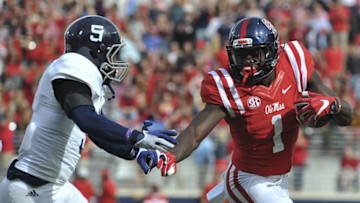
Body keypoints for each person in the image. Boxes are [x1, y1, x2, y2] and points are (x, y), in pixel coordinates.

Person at [160, 17, 353, 203]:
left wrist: (333, 105)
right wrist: (172, 154)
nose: (247, 62)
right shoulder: (228, 86)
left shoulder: (294, 61)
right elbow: (195, 133)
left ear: (272, 52)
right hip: (247, 178)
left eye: (254, 54)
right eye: (241, 55)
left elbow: (348, 115)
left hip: (279, 179)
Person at [0, 15, 178, 203]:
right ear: (95, 52)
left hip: (53, 187)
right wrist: (137, 137)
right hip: (30, 188)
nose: (115, 61)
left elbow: (99, 136)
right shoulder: (72, 66)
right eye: (112, 53)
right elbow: (86, 120)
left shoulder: (84, 86)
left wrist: (136, 151)